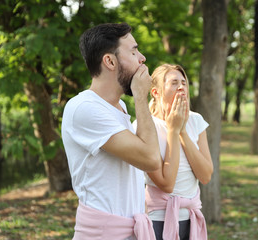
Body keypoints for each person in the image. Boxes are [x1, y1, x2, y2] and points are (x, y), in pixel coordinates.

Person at [61, 23, 161, 240]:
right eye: (134, 51)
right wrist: (141, 98)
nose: (142, 58)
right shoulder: (84, 108)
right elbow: (151, 159)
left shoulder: (119, 107)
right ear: (110, 61)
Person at [133, 64, 213, 240]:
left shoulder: (196, 120)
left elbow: (206, 176)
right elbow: (166, 185)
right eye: (174, 82)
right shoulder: (146, 126)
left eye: (184, 82)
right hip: (158, 221)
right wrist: (173, 130)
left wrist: (182, 130)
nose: (181, 87)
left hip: (191, 219)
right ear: (156, 92)